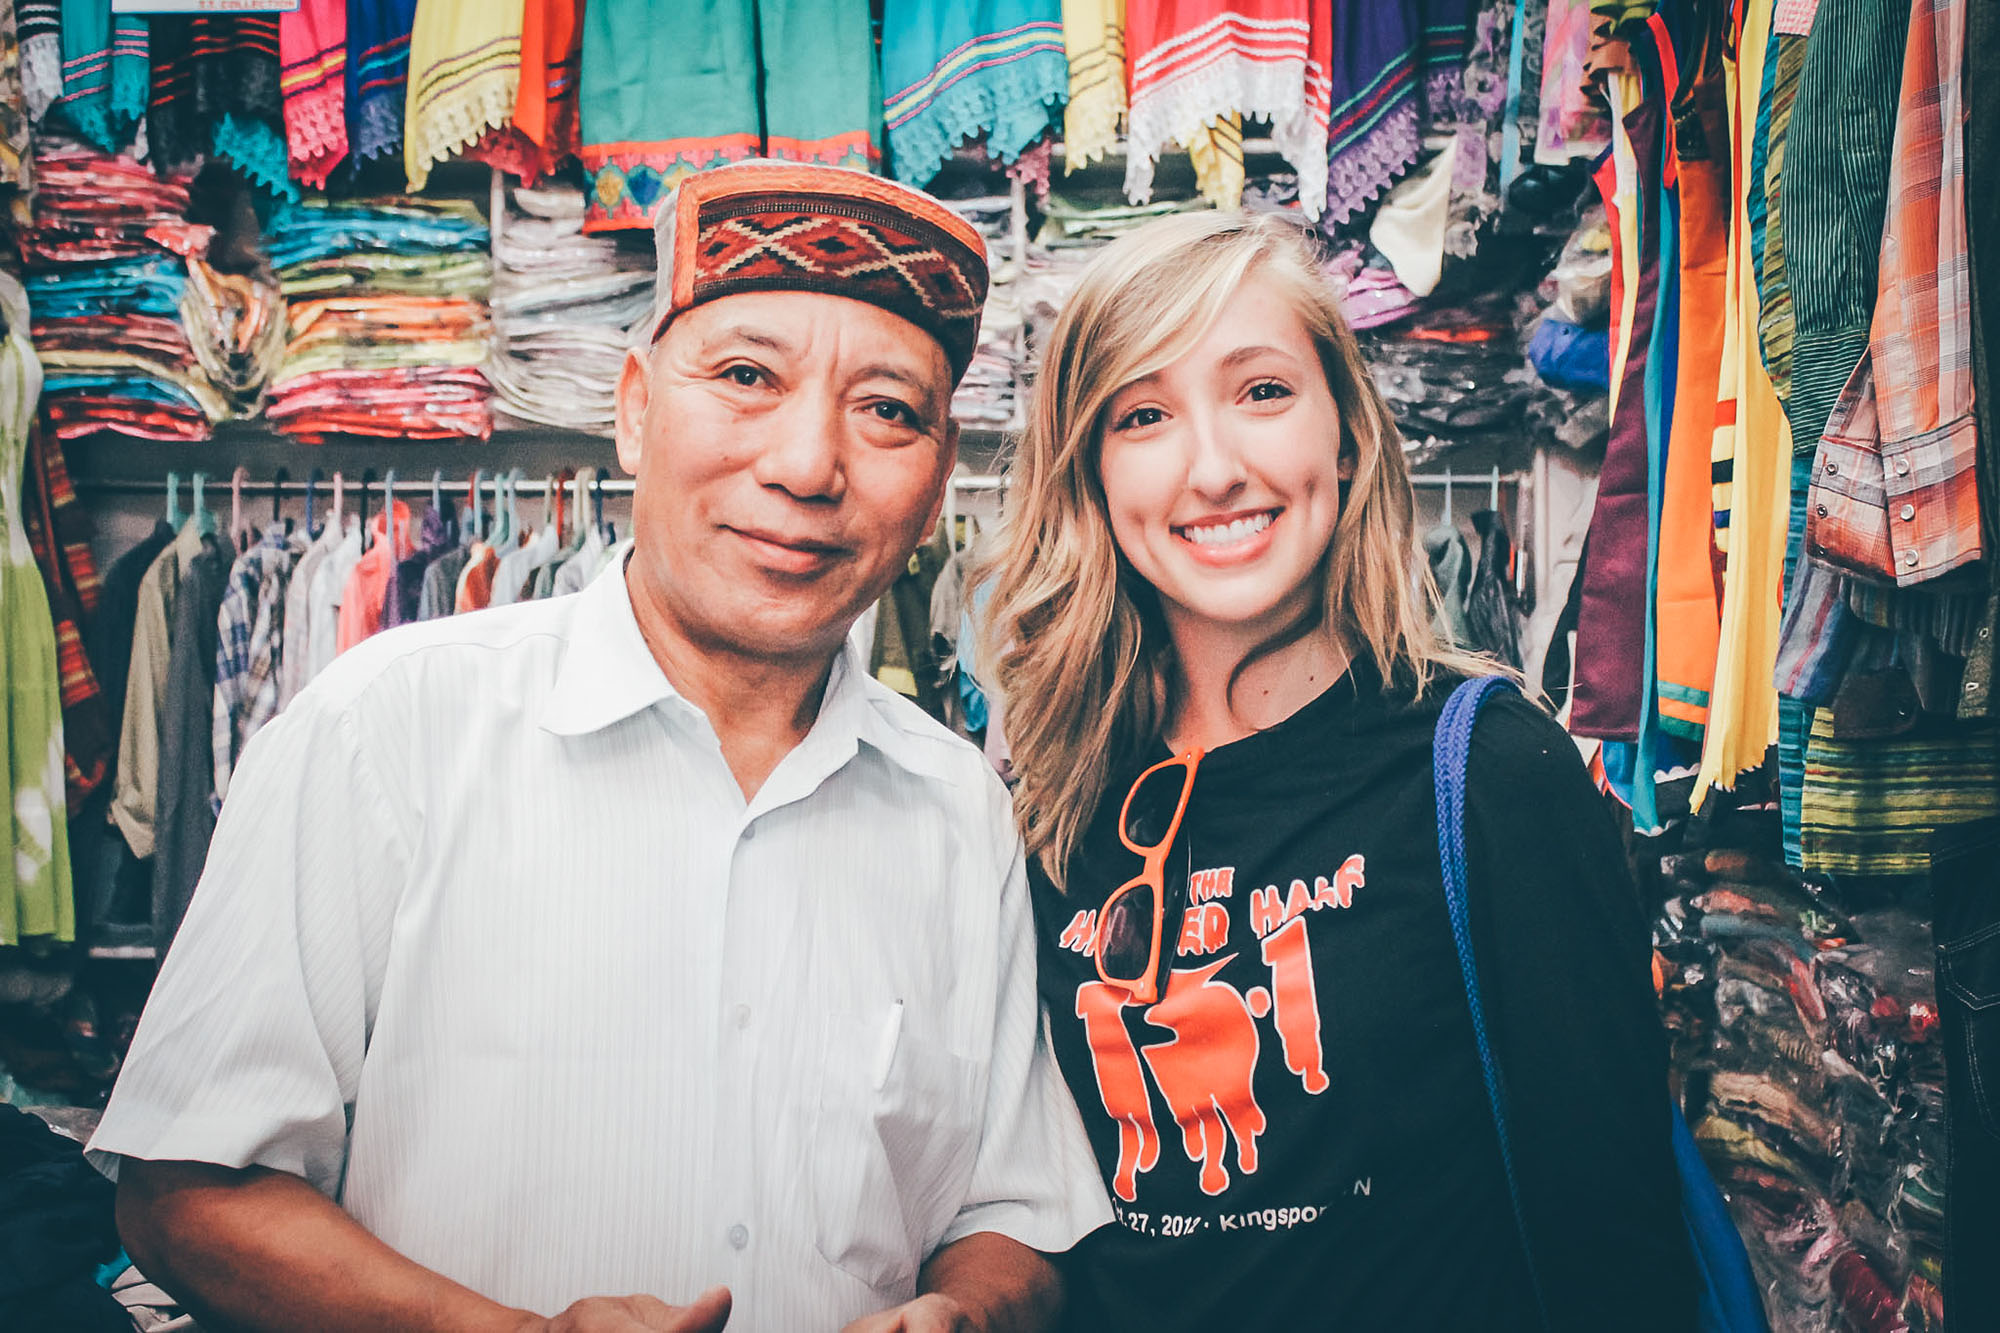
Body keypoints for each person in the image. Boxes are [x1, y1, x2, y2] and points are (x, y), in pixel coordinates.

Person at [86, 162, 1111, 1333]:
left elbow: (1011, 1212)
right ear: (630, 410)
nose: (807, 465)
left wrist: (965, 1313)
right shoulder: (385, 733)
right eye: (743, 377)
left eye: (887, 410)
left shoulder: (954, 807)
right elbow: (184, 1193)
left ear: (934, 491)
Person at [982, 212, 1697, 1331]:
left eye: (1260, 391)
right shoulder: (1056, 804)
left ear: (1345, 437)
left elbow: (1617, 1247)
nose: (1213, 468)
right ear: (1091, 469)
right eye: (1145, 414)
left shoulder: (1490, 770)